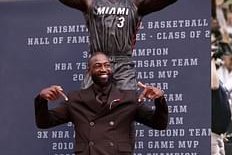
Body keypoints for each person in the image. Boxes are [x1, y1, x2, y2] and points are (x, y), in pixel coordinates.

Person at [44, 0, 181, 90]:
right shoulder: (89, 3)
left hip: (123, 66)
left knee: (126, 109)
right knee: (89, 109)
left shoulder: (136, 6)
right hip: (97, 63)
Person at [35, 52, 168, 154]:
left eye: (107, 65)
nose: (103, 69)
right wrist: (42, 100)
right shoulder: (75, 99)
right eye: (97, 66)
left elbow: (159, 124)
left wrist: (160, 99)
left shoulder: (129, 98)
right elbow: (45, 122)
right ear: (89, 70)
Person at [211, 52, 231, 155]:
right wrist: (210, 59)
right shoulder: (207, 77)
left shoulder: (219, 79)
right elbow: (214, 85)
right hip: (211, 134)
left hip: (219, 134)